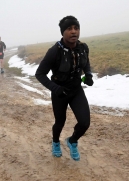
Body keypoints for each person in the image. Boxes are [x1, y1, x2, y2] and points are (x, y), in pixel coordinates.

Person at [35, 16, 94, 161]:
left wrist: (88, 74)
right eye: (69, 29)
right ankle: (55, 142)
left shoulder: (83, 48)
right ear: (63, 32)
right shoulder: (54, 51)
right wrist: (55, 88)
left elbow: (85, 63)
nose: (73, 32)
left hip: (76, 91)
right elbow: (40, 74)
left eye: (76, 28)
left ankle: (72, 141)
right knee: (60, 122)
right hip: (59, 93)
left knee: (85, 123)